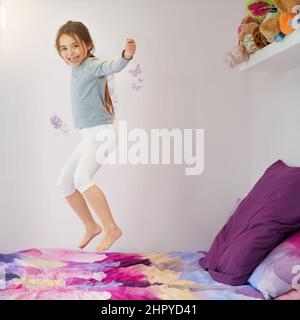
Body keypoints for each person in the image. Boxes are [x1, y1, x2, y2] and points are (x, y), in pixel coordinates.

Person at [54, 20, 136, 252]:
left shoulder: (90, 65)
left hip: (102, 133)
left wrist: (125, 55)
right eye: (64, 48)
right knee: (64, 184)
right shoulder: (76, 68)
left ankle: (110, 228)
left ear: (88, 45)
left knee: (82, 179)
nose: (70, 53)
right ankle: (91, 226)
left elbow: (111, 66)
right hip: (89, 136)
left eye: (75, 46)